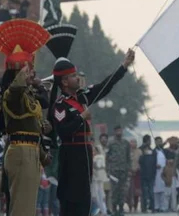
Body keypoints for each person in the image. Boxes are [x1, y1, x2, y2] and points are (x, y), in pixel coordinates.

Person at [50, 51, 135, 215]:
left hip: (85, 154)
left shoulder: (83, 97)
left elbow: (105, 86)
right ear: (65, 81)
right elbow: (63, 132)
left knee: (84, 198)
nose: (78, 78)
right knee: (70, 199)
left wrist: (123, 66)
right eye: (73, 76)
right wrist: (81, 117)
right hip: (71, 155)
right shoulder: (60, 105)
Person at [0, 19, 52, 216]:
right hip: (21, 152)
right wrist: (23, 72)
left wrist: (42, 155)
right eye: (28, 69)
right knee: (21, 207)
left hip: (30, 151)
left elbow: (32, 129)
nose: (32, 73)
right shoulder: (12, 95)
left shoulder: (28, 97)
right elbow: (15, 89)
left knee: (27, 205)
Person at [107, 125, 132, 216]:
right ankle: (114, 209)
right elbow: (107, 157)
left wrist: (129, 169)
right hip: (114, 171)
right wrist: (107, 170)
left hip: (123, 171)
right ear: (114, 131)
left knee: (122, 190)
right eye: (117, 130)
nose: (119, 132)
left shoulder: (126, 143)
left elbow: (128, 157)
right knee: (114, 190)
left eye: (120, 130)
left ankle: (121, 209)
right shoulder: (110, 143)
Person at [139, 135, 156, 213]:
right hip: (143, 174)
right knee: (144, 193)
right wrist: (143, 154)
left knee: (151, 192)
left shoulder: (152, 150)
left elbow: (154, 162)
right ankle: (144, 208)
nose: (150, 142)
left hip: (151, 174)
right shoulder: (140, 150)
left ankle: (152, 208)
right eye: (149, 141)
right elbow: (139, 161)